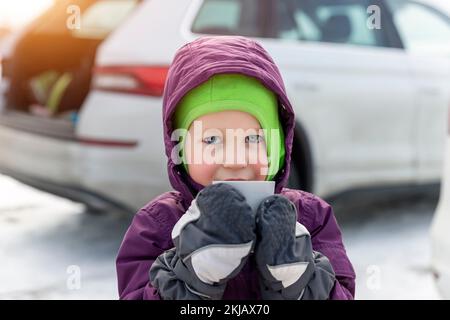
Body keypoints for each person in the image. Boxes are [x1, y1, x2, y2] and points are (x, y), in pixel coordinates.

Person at [116, 36, 355, 300]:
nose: (234, 159)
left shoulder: (311, 218)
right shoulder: (158, 226)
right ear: (181, 150)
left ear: (276, 148)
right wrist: (192, 279)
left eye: (252, 139)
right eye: (212, 140)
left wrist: (301, 281)